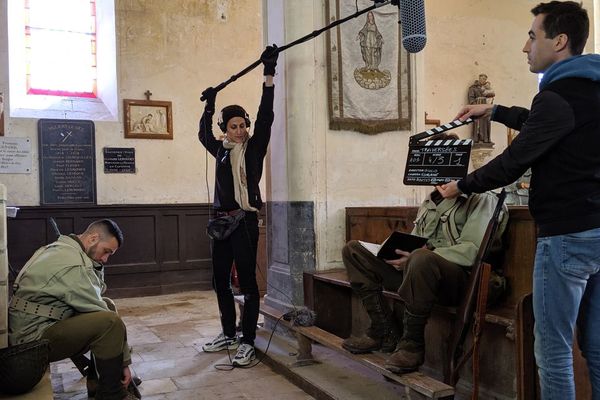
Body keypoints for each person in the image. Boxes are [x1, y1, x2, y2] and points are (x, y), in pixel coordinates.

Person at [436, 2, 600, 398]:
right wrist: (494, 110)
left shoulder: (558, 96)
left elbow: (514, 161)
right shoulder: (589, 90)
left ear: (559, 41)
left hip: (566, 235)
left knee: (554, 350)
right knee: (595, 345)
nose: (525, 47)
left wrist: (460, 187)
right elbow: (543, 125)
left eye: (532, 36)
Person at [341, 181, 507, 374]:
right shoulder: (432, 200)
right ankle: (383, 330)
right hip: (420, 274)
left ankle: (412, 344)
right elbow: (417, 240)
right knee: (353, 250)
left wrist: (421, 254)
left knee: (421, 258)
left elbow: (473, 250)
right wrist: (396, 252)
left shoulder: (482, 198)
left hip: (463, 281)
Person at [198, 45, 278, 367]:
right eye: (234, 126)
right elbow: (203, 131)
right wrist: (209, 104)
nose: (241, 130)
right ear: (225, 129)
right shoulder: (219, 151)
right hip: (221, 222)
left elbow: (267, 114)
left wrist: (268, 74)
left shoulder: (254, 148)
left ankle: (247, 341)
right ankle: (229, 332)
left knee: (247, 283)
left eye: (243, 125)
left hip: (244, 221)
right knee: (220, 280)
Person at [8, 220, 139, 400]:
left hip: (30, 327)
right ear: (93, 238)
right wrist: (124, 363)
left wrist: (97, 262)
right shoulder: (73, 266)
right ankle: (112, 394)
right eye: (106, 251)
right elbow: (99, 308)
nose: (105, 259)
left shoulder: (60, 248)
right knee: (109, 322)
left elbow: (98, 295)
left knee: (107, 307)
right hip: (31, 343)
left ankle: (97, 382)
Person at [467, 74, 495, 143]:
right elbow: (471, 100)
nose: (484, 80)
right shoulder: (473, 88)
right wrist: (478, 102)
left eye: (485, 79)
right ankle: (477, 139)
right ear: (479, 79)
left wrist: (489, 100)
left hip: (486, 110)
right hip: (478, 109)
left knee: (487, 122)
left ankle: (486, 139)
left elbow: (491, 97)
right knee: (477, 123)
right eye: (482, 78)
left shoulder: (486, 88)